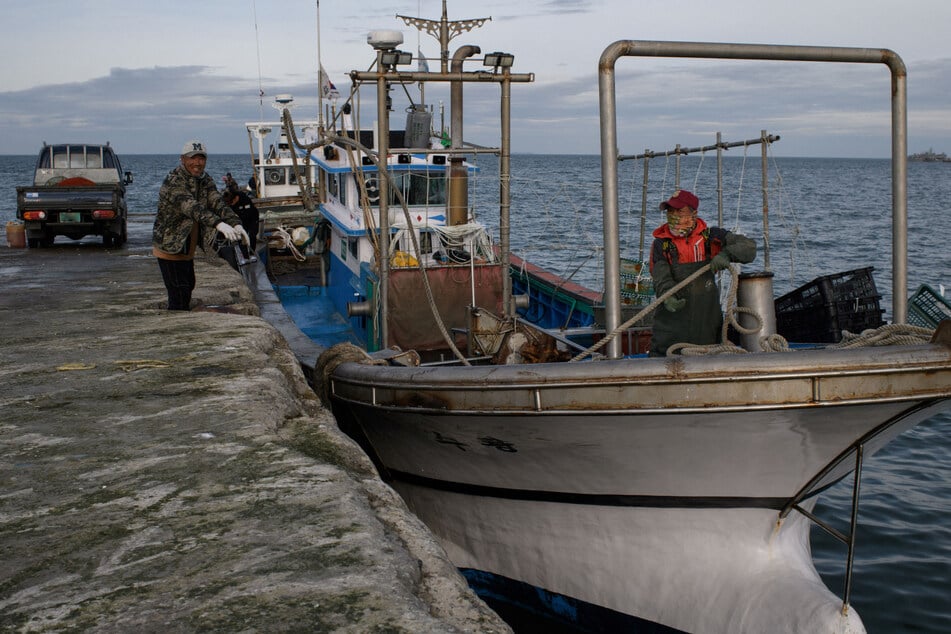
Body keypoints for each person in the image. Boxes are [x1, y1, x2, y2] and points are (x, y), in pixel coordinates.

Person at [648, 189, 756, 356]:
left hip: (708, 330)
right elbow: (660, 276)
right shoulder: (661, 244)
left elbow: (749, 248)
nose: (674, 216)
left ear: (694, 213)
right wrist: (668, 296)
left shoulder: (711, 237)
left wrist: (726, 254)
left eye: (680, 211)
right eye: (670, 211)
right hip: (670, 332)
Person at [152, 140, 249, 310]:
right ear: (182, 159)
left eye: (201, 158)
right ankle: (176, 329)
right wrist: (219, 224)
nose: (197, 163)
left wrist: (236, 224)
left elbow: (217, 203)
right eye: (192, 158)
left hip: (188, 247)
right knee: (178, 292)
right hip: (170, 246)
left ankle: (182, 323)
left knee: (189, 285)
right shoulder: (174, 181)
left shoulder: (205, 180)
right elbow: (191, 207)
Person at [216, 184, 260, 270]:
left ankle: (251, 254)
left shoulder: (244, 199)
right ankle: (245, 256)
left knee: (252, 235)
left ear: (236, 198)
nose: (231, 204)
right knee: (240, 237)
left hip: (252, 218)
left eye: (232, 202)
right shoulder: (229, 204)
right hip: (240, 221)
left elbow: (250, 212)